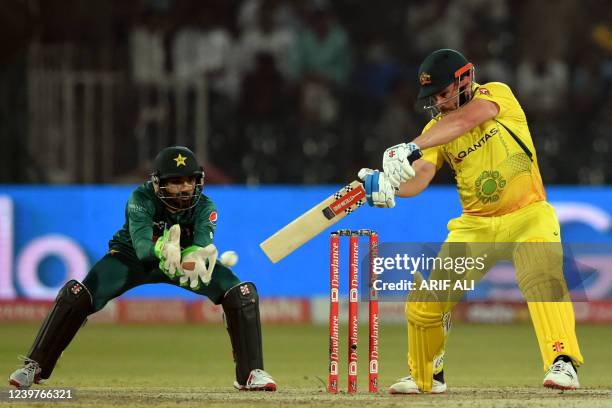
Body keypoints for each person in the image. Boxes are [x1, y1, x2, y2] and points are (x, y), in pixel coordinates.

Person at [359, 49, 583, 393]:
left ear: (464, 79)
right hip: (476, 225)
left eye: (443, 92)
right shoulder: (436, 129)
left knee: (541, 277)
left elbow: (466, 120)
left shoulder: (496, 95)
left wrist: (410, 145)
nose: (438, 101)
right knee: (425, 302)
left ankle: (563, 363)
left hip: (528, 214)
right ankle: (427, 375)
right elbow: (420, 176)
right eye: (432, 97)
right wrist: (389, 187)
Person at [8, 146, 277, 392]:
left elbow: (201, 243)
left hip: (181, 261)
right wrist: (162, 249)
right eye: (175, 182)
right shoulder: (140, 198)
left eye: (189, 180)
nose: (184, 188)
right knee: (77, 294)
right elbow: (141, 246)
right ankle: (35, 367)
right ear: (158, 183)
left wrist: (194, 258)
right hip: (131, 259)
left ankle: (251, 373)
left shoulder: (206, 206)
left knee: (241, 293)